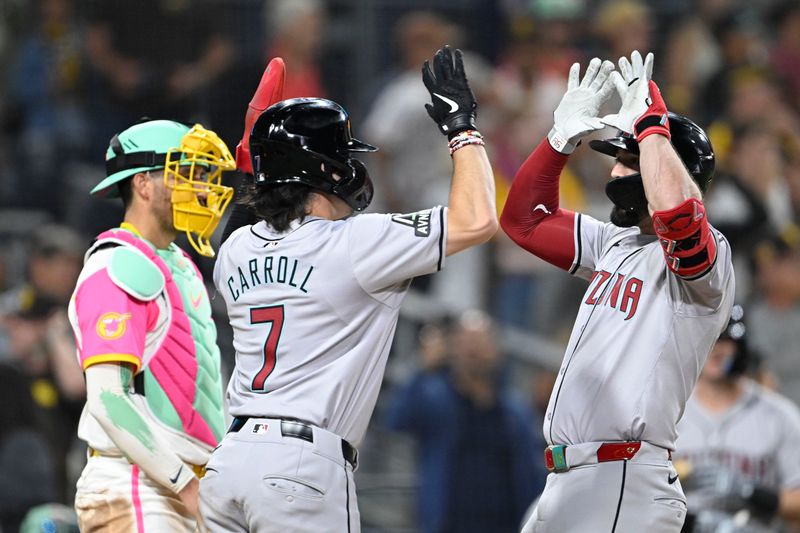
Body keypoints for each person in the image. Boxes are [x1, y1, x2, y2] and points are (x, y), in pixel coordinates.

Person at [200, 45, 497, 532]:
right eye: (340, 162)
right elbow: (478, 220)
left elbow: (248, 221)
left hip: (228, 463)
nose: (348, 171)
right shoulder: (356, 241)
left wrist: (254, 161)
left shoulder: (235, 252)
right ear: (323, 170)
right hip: (300, 468)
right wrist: (462, 129)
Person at [500, 51, 735, 532]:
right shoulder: (615, 241)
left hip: (624, 478)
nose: (615, 174)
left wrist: (652, 131)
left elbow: (679, 219)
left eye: (629, 163)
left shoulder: (711, 259)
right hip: (569, 480)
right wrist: (557, 142)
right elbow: (523, 220)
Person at [67, 118, 236, 531]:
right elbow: (108, 398)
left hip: (183, 488)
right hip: (137, 485)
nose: (200, 188)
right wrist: (182, 484)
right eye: (186, 173)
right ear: (143, 184)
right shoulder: (116, 265)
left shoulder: (179, 263)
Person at [386, 311, 545, 533]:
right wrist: (423, 368)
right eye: (464, 343)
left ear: (497, 350)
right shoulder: (436, 400)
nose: (473, 351)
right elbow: (397, 419)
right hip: (447, 525)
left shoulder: (515, 412)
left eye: (480, 342)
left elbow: (530, 476)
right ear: (451, 350)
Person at [674, 305, 800, 532]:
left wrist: (750, 492)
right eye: (709, 340)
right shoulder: (669, 410)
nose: (715, 350)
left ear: (742, 349)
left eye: (724, 342)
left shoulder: (780, 416)